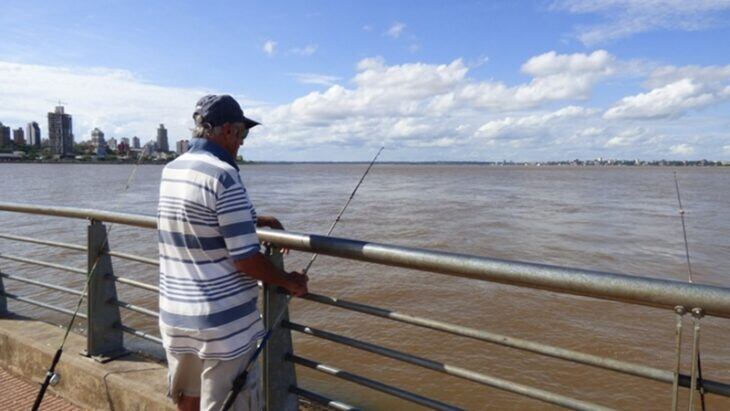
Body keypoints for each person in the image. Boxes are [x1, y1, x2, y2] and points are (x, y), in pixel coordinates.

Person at [157, 94, 308, 411]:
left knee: (188, 399)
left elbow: (200, 217)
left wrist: (257, 220)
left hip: (174, 313)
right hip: (219, 327)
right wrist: (287, 280)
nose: (242, 142)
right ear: (227, 130)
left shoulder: (173, 169)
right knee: (228, 403)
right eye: (242, 132)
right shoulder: (224, 175)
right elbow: (246, 260)